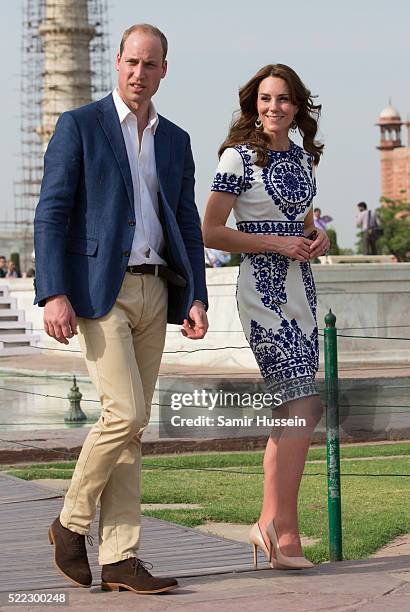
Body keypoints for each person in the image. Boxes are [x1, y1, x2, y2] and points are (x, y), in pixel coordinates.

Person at [34, 23, 208, 595]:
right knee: (125, 412)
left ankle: (120, 558)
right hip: (96, 290)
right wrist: (52, 291)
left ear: (163, 70)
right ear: (117, 63)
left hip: (156, 290)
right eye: (131, 62)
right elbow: (52, 212)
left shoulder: (176, 139)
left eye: (149, 64)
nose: (139, 73)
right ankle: (70, 522)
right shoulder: (79, 125)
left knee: (131, 430)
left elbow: (185, 221)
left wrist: (197, 295)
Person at [203, 64, 329, 570]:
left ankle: (275, 530)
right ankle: (282, 527)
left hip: (303, 289)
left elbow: (305, 222)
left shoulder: (304, 159)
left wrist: (317, 237)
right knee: (306, 403)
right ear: (253, 104)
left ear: (297, 106)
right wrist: (274, 242)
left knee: (291, 410)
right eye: (264, 98)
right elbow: (210, 229)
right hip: (263, 290)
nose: (272, 107)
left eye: (282, 99)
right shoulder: (237, 158)